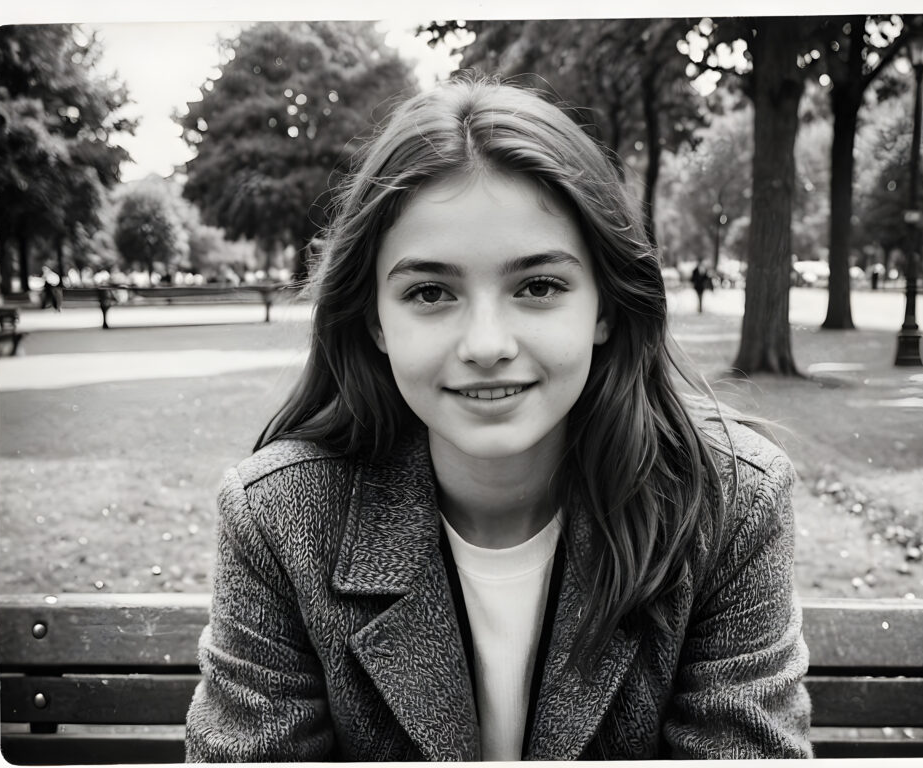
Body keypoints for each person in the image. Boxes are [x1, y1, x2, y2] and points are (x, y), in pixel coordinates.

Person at [185, 77, 811, 762]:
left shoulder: (728, 506)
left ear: (604, 308)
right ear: (375, 320)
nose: (486, 345)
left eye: (538, 286)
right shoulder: (279, 518)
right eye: (430, 292)